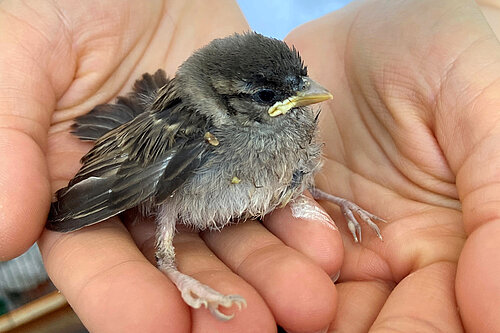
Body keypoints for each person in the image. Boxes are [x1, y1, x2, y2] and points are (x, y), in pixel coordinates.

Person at [0, 0, 498, 331]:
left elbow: (297, 153)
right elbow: (135, 172)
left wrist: (322, 193)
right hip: (162, 164)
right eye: (268, 96)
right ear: (229, 100)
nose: (307, 95)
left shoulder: (294, 110)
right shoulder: (193, 126)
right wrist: (177, 274)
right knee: (160, 238)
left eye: (300, 81)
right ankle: (176, 270)